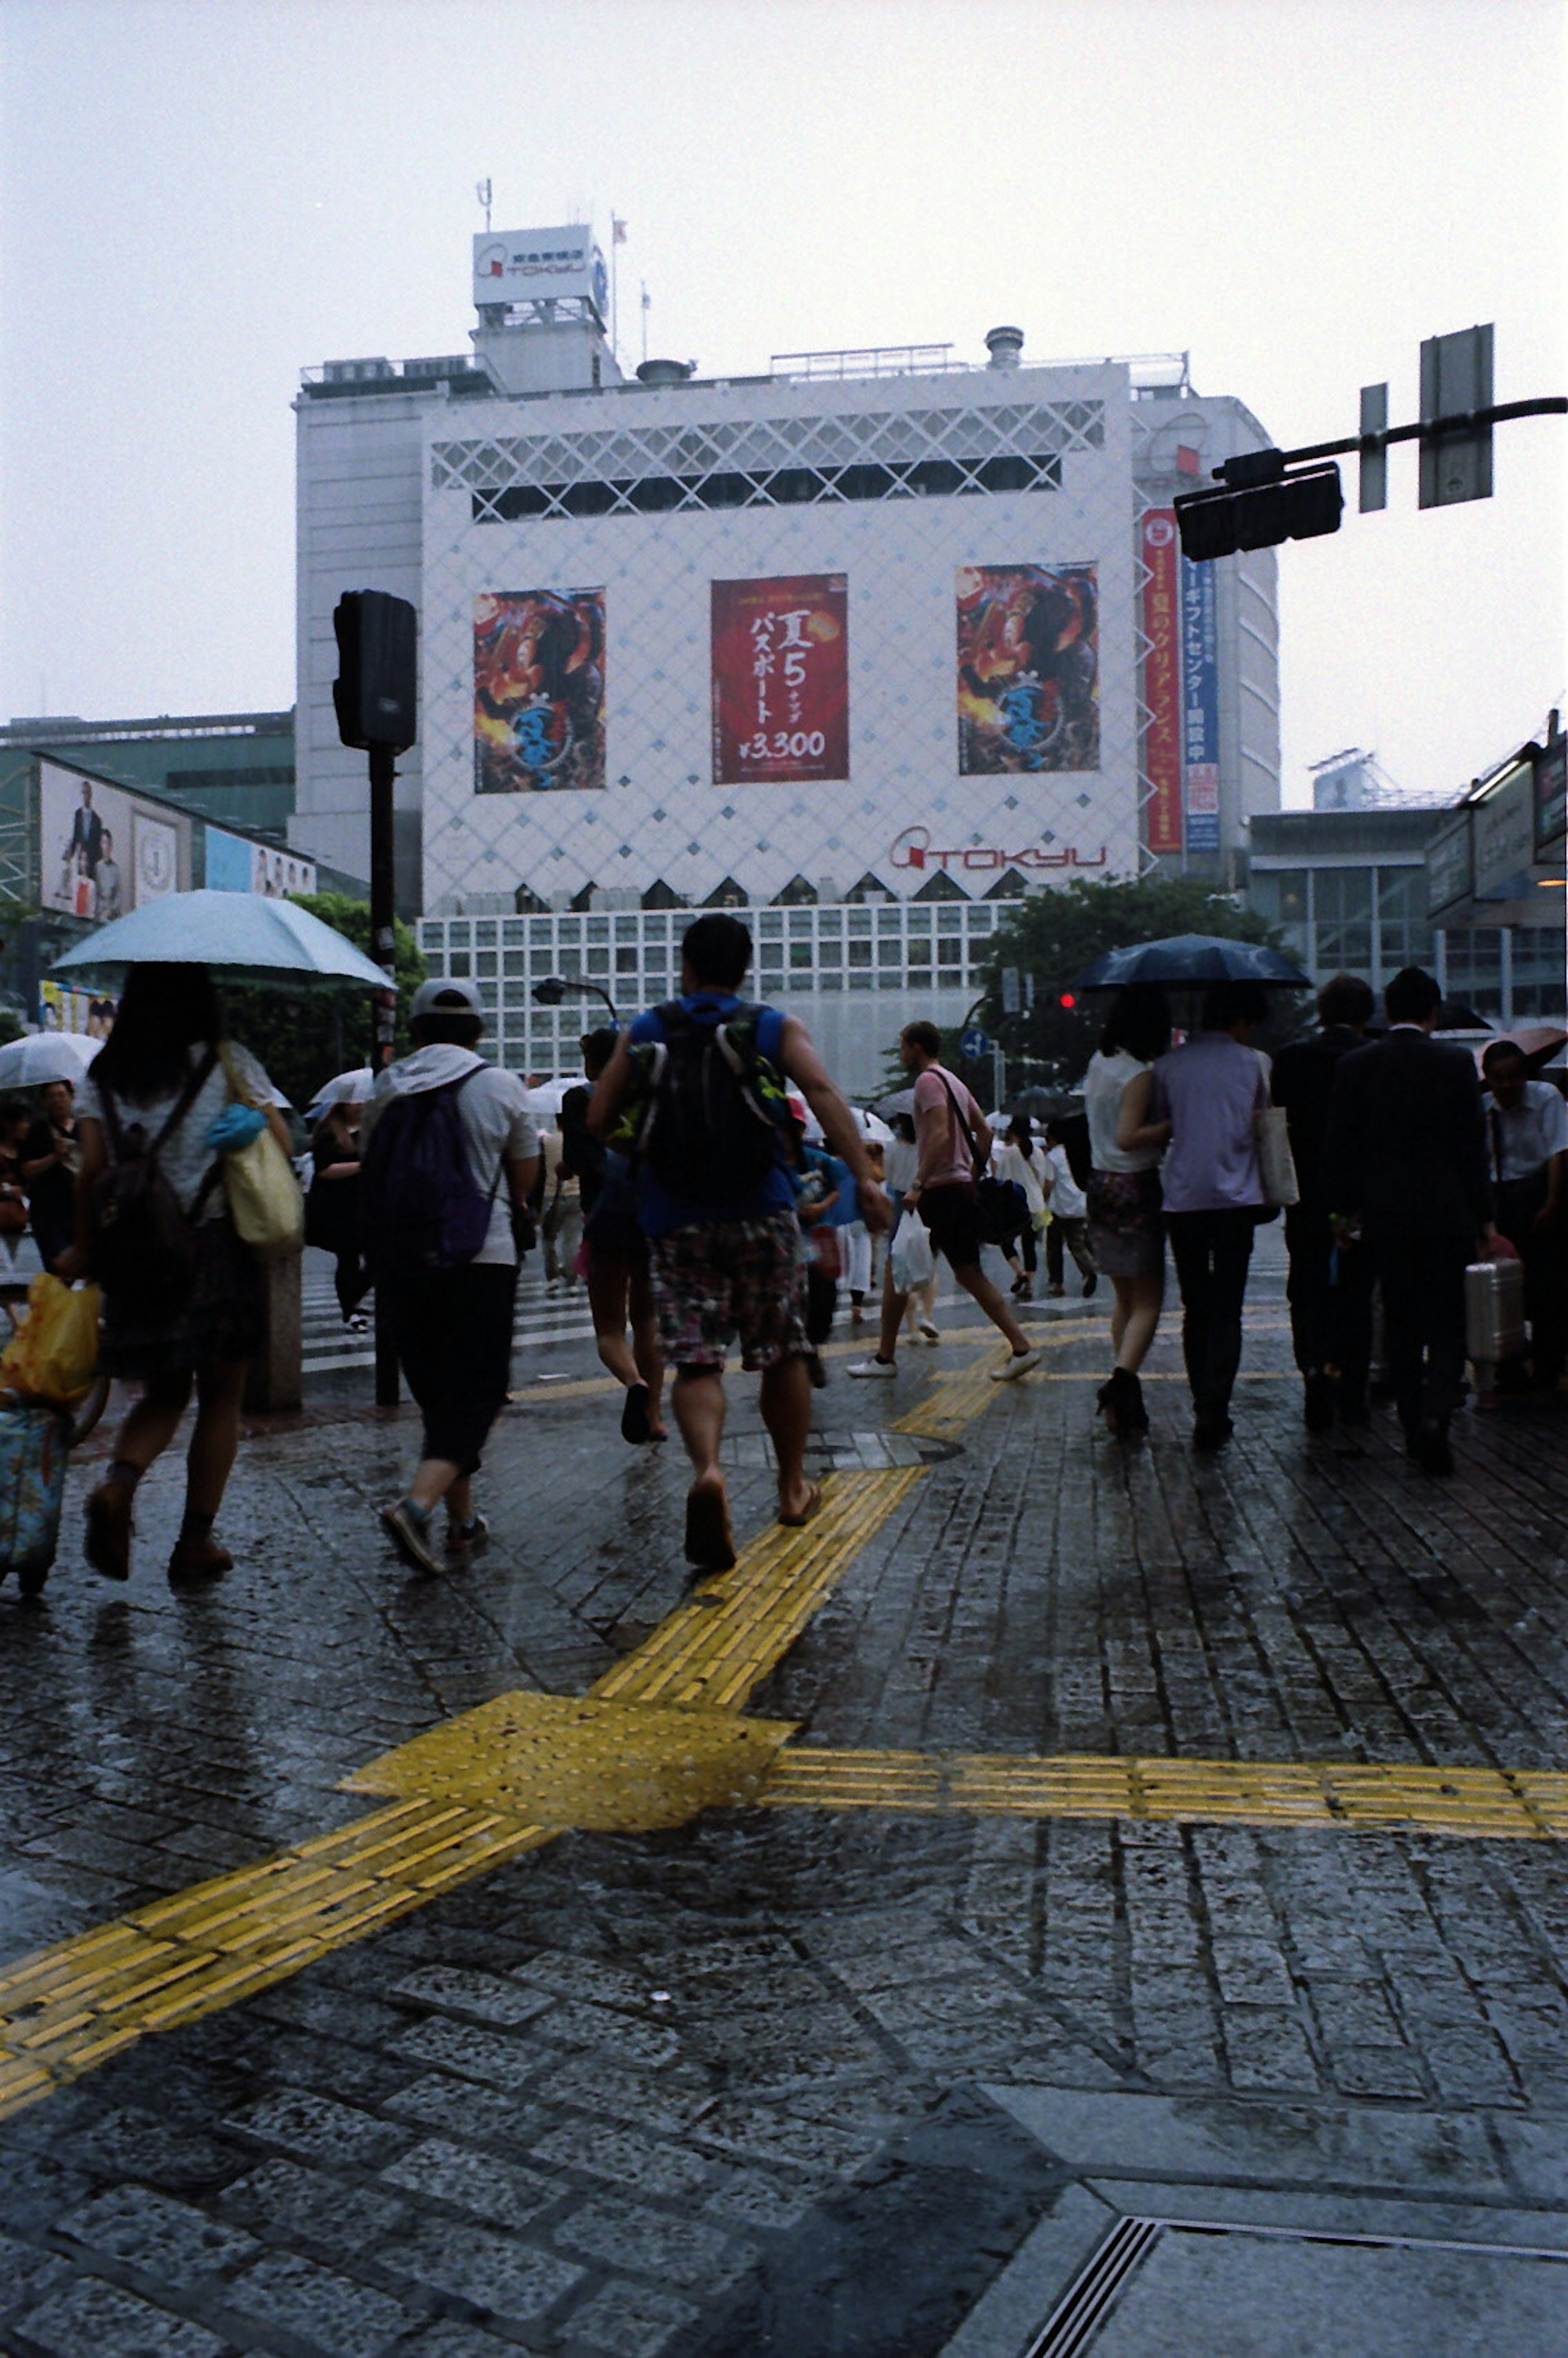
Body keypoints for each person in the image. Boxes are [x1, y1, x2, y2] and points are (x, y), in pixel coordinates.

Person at [589, 912, 889, 1575]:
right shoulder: (772, 1025)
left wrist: (649, 1152)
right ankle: (790, 1489)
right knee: (781, 1350)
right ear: (744, 967)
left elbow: (599, 1117)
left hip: (675, 1219)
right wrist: (865, 1180)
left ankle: (710, 1470)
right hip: (764, 1211)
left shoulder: (647, 1027)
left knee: (697, 1361)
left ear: (686, 965)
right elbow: (821, 1091)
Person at [64, 962, 291, 1585]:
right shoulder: (227, 1062)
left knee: (163, 1393)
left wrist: (84, 1250)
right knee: (221, 1396)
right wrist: (248, 1122)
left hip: (137, 1257)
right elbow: (281, 1143)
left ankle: (119, 1481)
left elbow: (90, 1170)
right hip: (216, 1247)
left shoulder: (102, 1073)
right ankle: (195, 1542)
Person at [366, 977, 539, 1575]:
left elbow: (374, 1165)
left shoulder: (387, 1084)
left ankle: (462, 1522)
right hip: (479, 1255)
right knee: (481, 1391)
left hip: (401, 1258)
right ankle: (416, 1507)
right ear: (478, 1029)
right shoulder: (499, 1084)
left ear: (415, 1032)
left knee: (441, 1395)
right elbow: (524, 1182)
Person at [1322, 966, 1495, 1475]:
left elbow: (1340, 1148)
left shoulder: (1357, 1066)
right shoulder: (1456, 1062)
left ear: (1387, 1011)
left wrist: (1342, 1213)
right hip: (1448, 1212)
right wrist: (1483, 1215)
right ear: (1434, 1012)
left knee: (1400, 1319)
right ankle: (1438, 1416)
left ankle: (1412, 1416)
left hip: (1385, 1213)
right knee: (1448, 1320)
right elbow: (1472, 1146)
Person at [850, 1020, 1042, 1382]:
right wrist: (971, 1173)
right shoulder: (953, 1081)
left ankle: (884, 1359)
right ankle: (1021, 1347)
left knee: (897, 1266)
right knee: (969, 1273)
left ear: (916, 1047)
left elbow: (938, 1132)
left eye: (904, 1047)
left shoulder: (926, 1081)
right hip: (959, 1189)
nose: (903, 1053)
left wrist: (919, 1183)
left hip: (938, 1190)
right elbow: (983, 1131)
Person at [1149, 980, 1272, 1451]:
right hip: (1238, 1199)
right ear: (1240, 1021)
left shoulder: (1169, 1066)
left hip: (1184, 1200)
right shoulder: (1255, 1064)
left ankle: (1202, 1402)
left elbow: (1164, 1125)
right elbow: (1263, 1125)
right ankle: (1218, 1406)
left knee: (1195, 1307)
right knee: (1229, 1309)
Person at [1270, 973, 1377, 1429]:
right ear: (1366, 1013)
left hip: (1306, 1197)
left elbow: (1277, 1126)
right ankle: (1351, 1386)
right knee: (1355, 1289)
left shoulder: (1291, 1059)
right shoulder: (1373, 1058)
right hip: (1356, 1201)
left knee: (1308, 1285)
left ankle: (1313, 1369)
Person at [1084, 984, 1170, 1438]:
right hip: (1134, 1184)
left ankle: (1126, 1396)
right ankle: (1121, 1384)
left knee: (1124, 1298)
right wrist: (1172, 1125)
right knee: (1151, 1301)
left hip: (1100, 1184)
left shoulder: (1100, 1063)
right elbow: (1129, 1136)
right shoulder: (1138, 1073)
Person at [577, 1026, 666, 1444]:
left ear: (594, 1062)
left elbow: (583, 1159)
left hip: (606, 1222)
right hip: (652, 1223)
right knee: (648, 1322)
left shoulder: (583, 1099)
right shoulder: (653, 1103)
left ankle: (635, 1384)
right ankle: (656, 1418)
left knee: (610, 1329)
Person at [1480, 1038, 1567, 1391]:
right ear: (1488, 1079)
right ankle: (1511, 1366)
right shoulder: (1484, 1108)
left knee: (1548, 1285)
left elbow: (1560, 1153)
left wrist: (1552, 1204)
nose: (1505, 1087)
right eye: (1498, 1079)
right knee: (1505, 1289)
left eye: (1512, 1078)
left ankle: (1548, 1365)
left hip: (1539, 1191)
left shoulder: (1547, 1097)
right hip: (1502, 1198)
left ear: (1525, 1075)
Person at [307, 1099, 371, 1331]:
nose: (360, 1106)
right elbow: (324, 1170)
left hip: (363, 1201)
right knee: (349, 1257)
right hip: (337, 1205)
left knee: (373, 1255)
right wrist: (362, 1166)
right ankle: (350, 1309)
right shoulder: (329, 1132)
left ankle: (352, 1301)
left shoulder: (370, 1129)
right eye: (354, 1102)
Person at [882, 1113, 940, 1344]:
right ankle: (929, 1317)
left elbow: (887, 1177)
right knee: (929, 1260)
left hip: (900, 1203)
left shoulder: (891, 1148)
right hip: (927, 1201)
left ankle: (912, 1328)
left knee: (902, 1264)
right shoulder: (928, 1149)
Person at [20, 1078, 81, 1272]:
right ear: (44, 1101)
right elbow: (26, 1170)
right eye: (51, 1097)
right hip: (49, 1212)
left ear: (71, 1098)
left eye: (62, 1095)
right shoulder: (37, 1131)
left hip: (81, 1209)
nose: (57, 1101)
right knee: (59, 1266)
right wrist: (54, 1157)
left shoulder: (84, 1129)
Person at [1040, 1118, 1097, 1299]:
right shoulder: (1076, 1152)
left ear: (1052, 1137)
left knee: (1054, 1246)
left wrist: (1042, 1204)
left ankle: (1057, 1283)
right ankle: (1088, 1271)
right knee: (1078, 1245)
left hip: (1058, 1209)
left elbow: (1049, 1185)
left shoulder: (1052, 1157)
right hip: (1079, 1205)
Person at [992, 1116, 1047, 1301]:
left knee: (1005, 1241)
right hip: (1039, 1205)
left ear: (1013, 1132)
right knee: (1030, 1246)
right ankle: (1030, 1285)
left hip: (1018, 1206)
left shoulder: (1010, 1153)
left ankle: (1020, 1271)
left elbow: (1001, 1181)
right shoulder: (1039, 1153)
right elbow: (1044, 1179)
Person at [0, 1097, 31, 1262]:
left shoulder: (25, 1151)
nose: (27, 1126)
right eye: (23, 1121)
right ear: (9, 1124)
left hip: (20, 1219)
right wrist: (8, 1190)